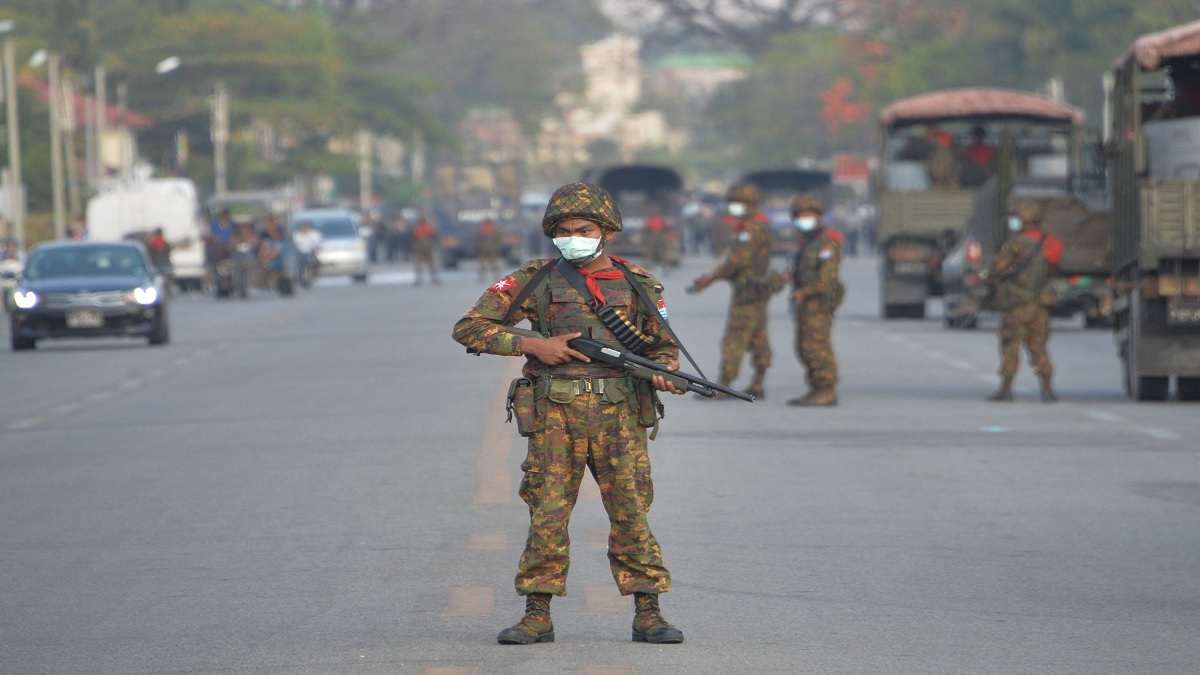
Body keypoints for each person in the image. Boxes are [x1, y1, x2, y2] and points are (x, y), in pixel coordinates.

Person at [452, 182, 686, 646]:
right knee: (548, 513)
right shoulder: (534, 279)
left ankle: (649, 613)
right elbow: (469, 327)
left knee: (631, 512)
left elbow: (664, 347)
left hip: (619, 411)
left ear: (606, 232)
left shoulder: (638, 282)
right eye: (562, 231)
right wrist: (532, 344)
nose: (572, 237)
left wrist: (666, 371)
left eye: (583, 229)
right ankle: (536, 614)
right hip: (555, 412)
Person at [688, 183, 781, 399]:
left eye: (738, 203)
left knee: (734, 338)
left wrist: (711, 279)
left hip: (747, 291)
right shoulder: (759, 225)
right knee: (758, 336)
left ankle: (724, 385)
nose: (734, 207)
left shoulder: (750, 229)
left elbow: (737, 261)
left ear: (749, 204)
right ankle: (758, 382)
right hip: (759, 289)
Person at [986, 200, 1064, 403]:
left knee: (1010, 345)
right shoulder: (1053, 243)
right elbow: (1054, 267)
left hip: (1016, 305)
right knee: (1039, 346)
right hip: (1039, 306)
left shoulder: (1015, 244)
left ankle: (1006, 389)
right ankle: (1047, 390)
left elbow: (996, 269)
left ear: (1023, 220)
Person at [787, 195, 844, 407]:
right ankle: (815, 387)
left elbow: (827, 279)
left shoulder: (827, 244)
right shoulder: (807, 243)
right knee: (803, 347)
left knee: (817, 347)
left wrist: (806, 292)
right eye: (800, 216)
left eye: (808, 215)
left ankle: (826, 389)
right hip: (804, 303)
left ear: (819, 217)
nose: (804, 219)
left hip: (818, 303)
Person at [292, 221, 323, 288]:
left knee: (313, 263)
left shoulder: (315, 234)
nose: (304, 229)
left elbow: (318, 244)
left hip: (311, 253)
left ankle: (312, 274)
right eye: (303, 227)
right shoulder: (297, 235)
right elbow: (294, 244)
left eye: (306, 227)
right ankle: (300, 276)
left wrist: (315, 249)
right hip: (300, 253)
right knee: (299, 263)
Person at [410, 216, 439, 286]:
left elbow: (413, 239)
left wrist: (412, 248)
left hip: (419, 248)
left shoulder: (417, 229)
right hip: (429, 247)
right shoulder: (429, 227)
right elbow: (435, 237)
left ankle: (418, 279)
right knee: (431, 263)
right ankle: (434, 279)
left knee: (418, 264)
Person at [146, 227, 174, 294]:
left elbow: (149, 253)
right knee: (168, 276)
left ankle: (159, 290)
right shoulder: (164, 242)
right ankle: (169, 289)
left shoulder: (152, 243)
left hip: (156, 263)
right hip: (165, 263)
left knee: (157, 278)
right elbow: (168, 251)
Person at [641, 206, 669, 271]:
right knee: (650, 251)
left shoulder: (657, 218)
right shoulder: (653, 218)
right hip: (654, 236)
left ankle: (664, 263)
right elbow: (648, 227)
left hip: (657, 236)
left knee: (660, 251)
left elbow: (663, 226)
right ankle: (648, 263)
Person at [475, 218, 503, 282]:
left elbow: (478, 241)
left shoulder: (481, 231)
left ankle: (483, 278)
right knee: (492, 265)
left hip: (485, 250)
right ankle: (495, 277)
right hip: (491, 250)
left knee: (484, 265)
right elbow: (498, 239)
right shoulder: (494, 230)